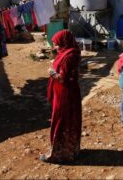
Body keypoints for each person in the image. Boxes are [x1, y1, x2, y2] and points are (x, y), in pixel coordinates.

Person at [40, 30, 82, 163]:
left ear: (64, 42)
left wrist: (51, 72)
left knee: (61, 120)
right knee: (67, 119)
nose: (55, 47)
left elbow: (63, 78)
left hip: (65, 94)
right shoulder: (66, 53)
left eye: (57, 44)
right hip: (65, 93)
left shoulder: (69, 56)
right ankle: (70, 151)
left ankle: (59, 154)